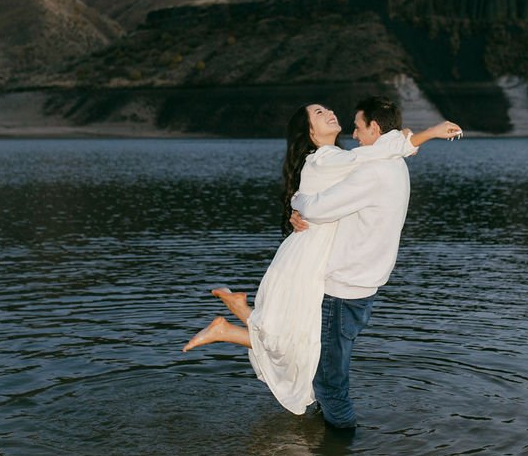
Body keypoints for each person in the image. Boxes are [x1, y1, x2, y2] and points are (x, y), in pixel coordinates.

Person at [182, 102, 461, 418]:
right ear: (309, 132)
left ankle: (235, 318)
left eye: (328, 109)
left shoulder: (341, 160)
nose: (329, 113)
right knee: (300, 338)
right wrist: (428, 134)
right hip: (316, 256)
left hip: (323, 253)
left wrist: (408, 139)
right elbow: (372, 155)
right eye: (318, 113)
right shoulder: (327, 159)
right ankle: (232, 325)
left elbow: (380, 151)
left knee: (303, 336)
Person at [289, 96, 430, 429]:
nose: (353, 133)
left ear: (374, 128)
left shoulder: (373, 172)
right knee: (325, 366)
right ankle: (328, 439)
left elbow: (318, 208)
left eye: (358, 127)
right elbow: (394, 144)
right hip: (363, 285)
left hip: (343, 288)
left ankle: (342, 451)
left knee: (330, 381)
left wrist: (297, 202)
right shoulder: (393, 164)